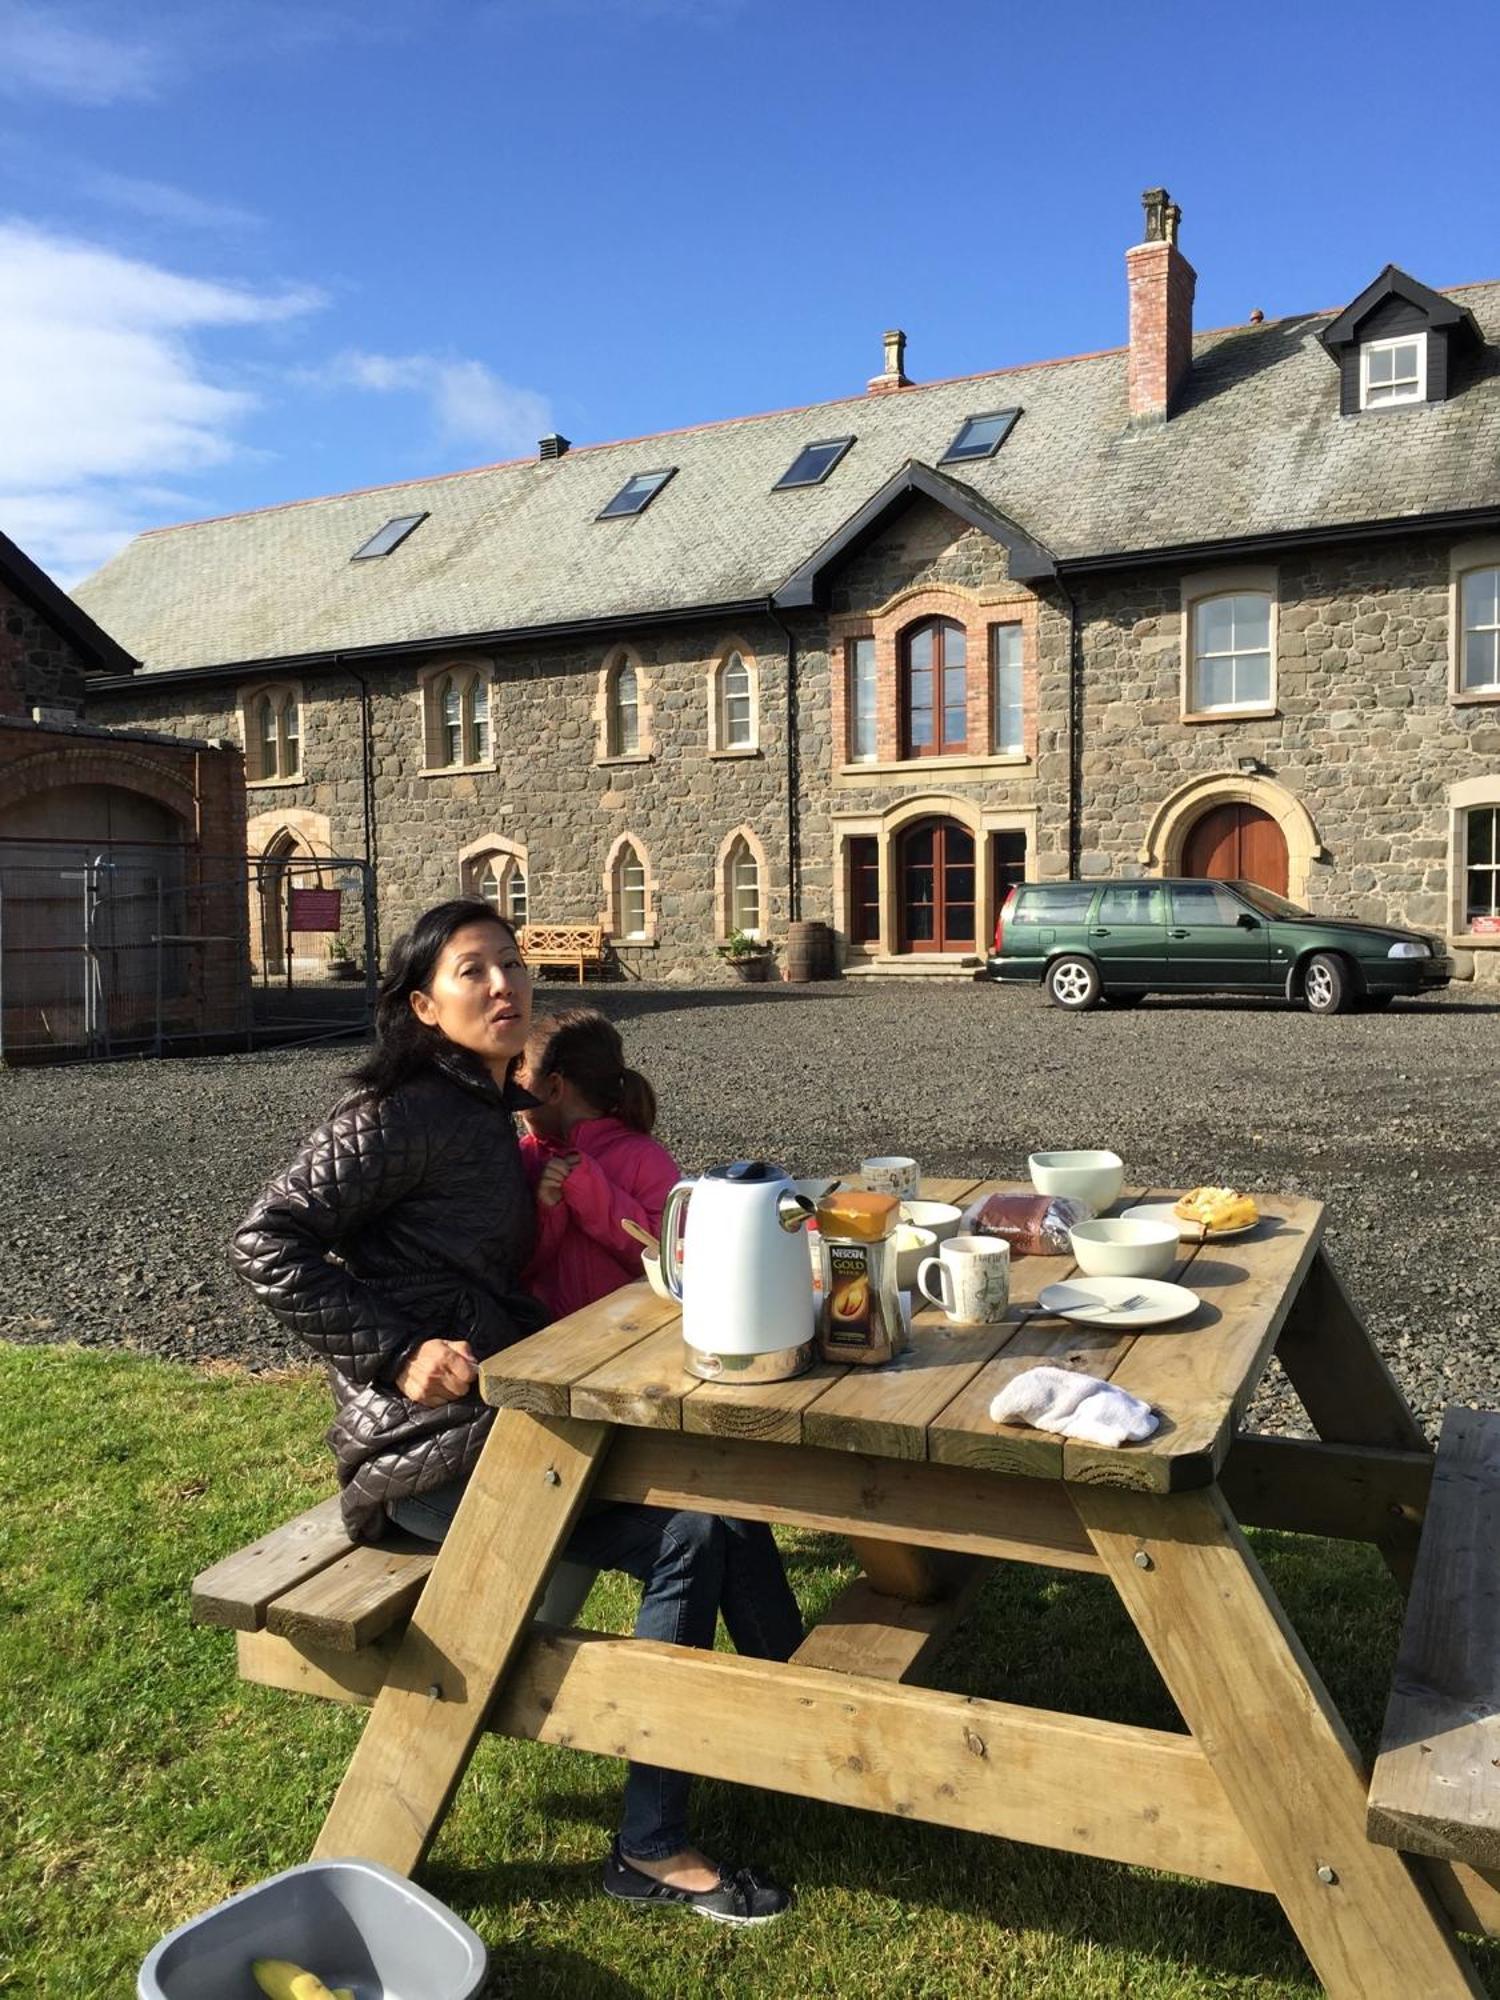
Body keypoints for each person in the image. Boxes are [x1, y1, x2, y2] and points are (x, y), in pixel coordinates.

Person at [230, 899, 798, 1923]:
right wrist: (399, 1353)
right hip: (423, 1458)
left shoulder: (489, 1111)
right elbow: (268, 1241)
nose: (504, 985)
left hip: (500, 1419)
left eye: (512, 963)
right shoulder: (396, 1111)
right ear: (421, 1003)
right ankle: (652, 1844)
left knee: (723, 1482)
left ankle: (799, 1730)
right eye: (472, 971)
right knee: (694, 1531)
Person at [515, 1008, 678, 1319]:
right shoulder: (527, 1155)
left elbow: (666, 1259)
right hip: (544, 1345)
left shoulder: (644, 1158)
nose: (516, 1100)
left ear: (554, 1087)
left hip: (629, 1343)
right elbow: (514, 1265)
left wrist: (591, 1192)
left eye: (521, 1078)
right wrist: (547, 1210)